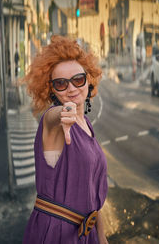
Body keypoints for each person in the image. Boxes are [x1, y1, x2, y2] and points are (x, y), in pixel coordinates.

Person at [21, 35, 108, 244]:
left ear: (88, 79)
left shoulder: (86, 124)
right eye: (61, 83)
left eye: (78, 79)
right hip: (56, 235)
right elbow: (51, 120)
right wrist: (61, 113)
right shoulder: (53, 124)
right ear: (51, 89)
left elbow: (93, 196)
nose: (71, 88)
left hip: (87, 234)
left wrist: (103, 238)